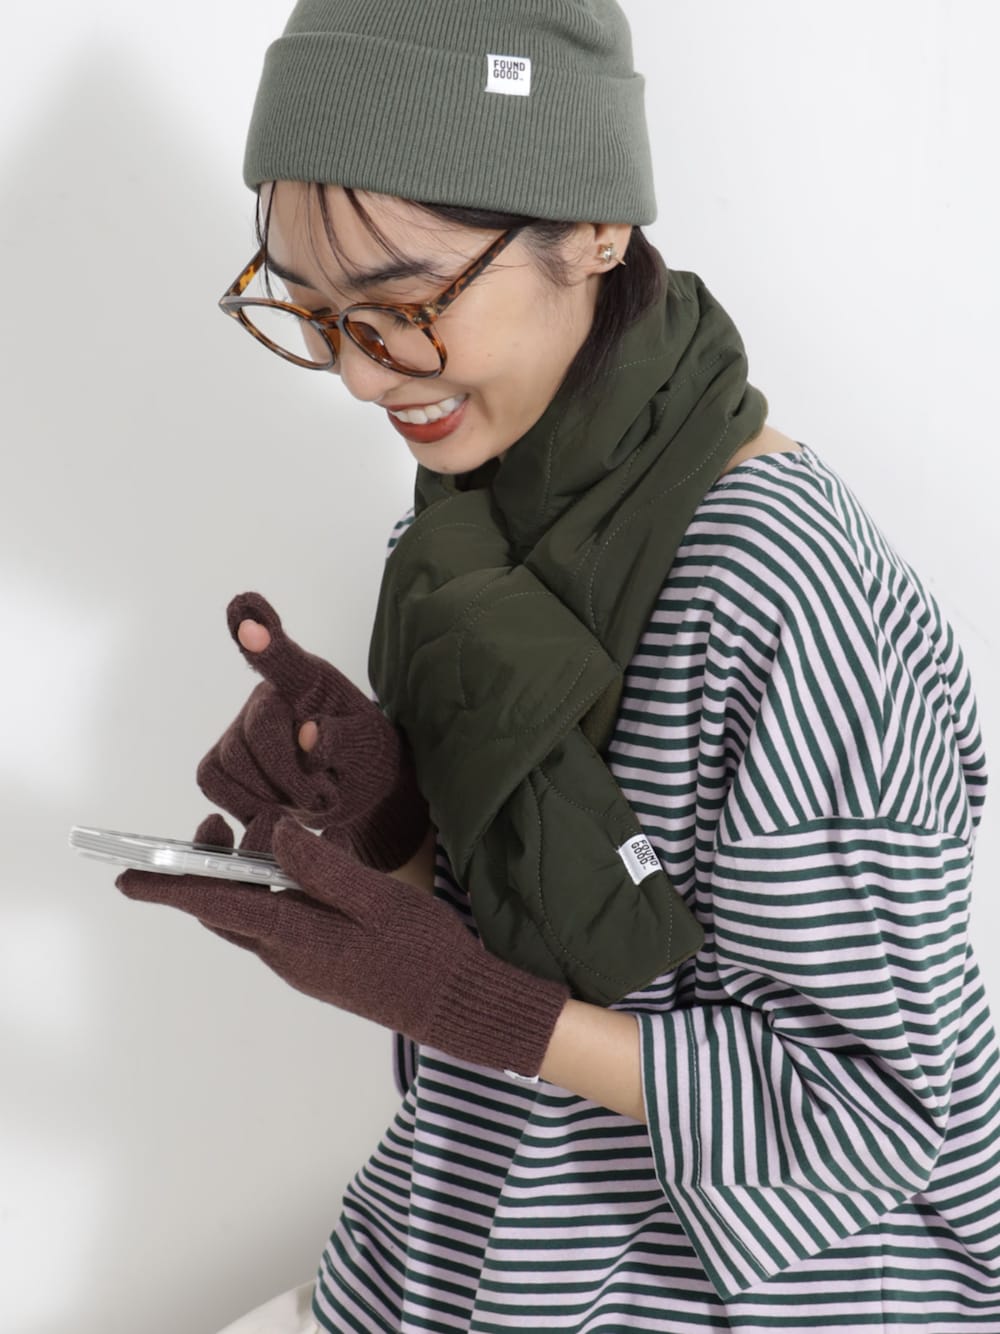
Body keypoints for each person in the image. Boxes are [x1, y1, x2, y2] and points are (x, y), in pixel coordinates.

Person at [116, 1, 1000, 1330]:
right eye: (313, 313)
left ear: (596, 226)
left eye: (402, 305)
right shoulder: (461, 527)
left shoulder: (784, 586)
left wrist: (466, 1001)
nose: (360, 377)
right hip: (455, 1259)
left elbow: (876, 1115)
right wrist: (385, 820)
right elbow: (532, 942)